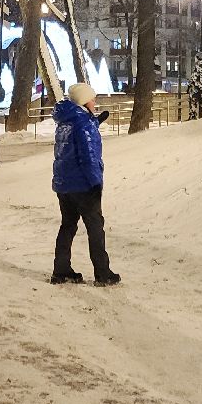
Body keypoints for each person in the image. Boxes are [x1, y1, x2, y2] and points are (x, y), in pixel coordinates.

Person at [50, 83, 119, 287]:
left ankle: (61, 270)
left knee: (68, 225)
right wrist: (95, 183)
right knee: (95, 227)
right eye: (92, 98)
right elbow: (88, 156)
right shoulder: (83, 124)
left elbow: (75, 142)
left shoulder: (66, 120)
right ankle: (103, 272)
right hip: (83, 184)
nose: (94, 102)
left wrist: (95, 122)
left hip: (64, 184)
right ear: (83, 101)